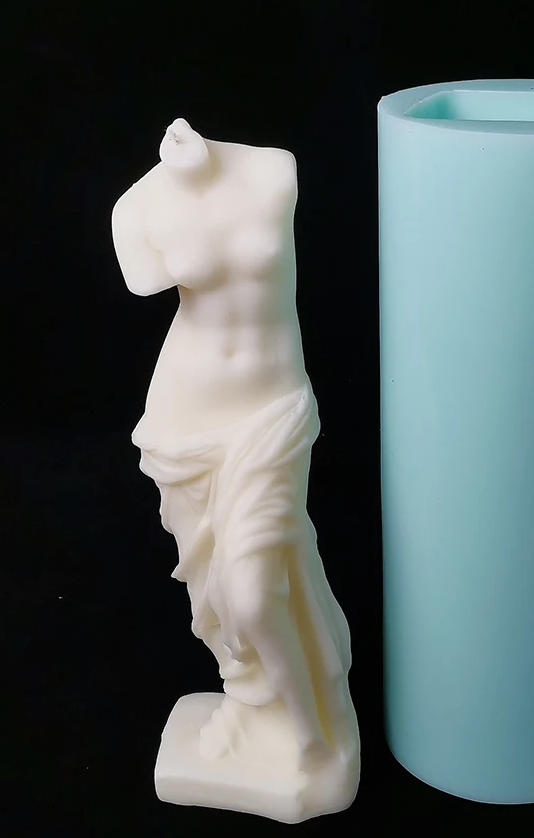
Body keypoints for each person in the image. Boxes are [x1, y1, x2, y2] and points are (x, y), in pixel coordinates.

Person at [112, 119, 357, 793]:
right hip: (186, 418)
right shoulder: (136, 207)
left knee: (252, 588)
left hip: (271, 411)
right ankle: (256, 706)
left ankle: (316, 732)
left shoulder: (273, 169)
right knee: (216, 592)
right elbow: (144, 281)